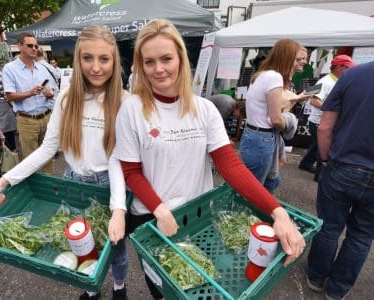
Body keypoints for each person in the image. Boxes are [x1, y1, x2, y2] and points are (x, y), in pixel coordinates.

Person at [108, 19, 305, 300]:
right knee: (164, 290)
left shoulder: (204, 110)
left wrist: (278, 212)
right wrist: (160, 210)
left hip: (197, 216)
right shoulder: (132, 109)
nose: (159, 69)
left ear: (181, 59)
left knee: (199, 283)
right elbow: (130, 170)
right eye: (149, 62)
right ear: (141, 65)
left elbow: (230, 165)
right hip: (152, 220)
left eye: (166, 58)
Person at [0, 25, 129, 300]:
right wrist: (5, 179)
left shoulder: (125, 101)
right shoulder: (66, 98)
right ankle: (91, 286)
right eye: (87, 58)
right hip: (73, 180)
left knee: (117, 246)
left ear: (114, 60)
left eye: (104, 59)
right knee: (81, 240)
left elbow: (117, 160)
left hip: (111, 183)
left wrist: (119, 209)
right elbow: (47, 149)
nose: (96, 67)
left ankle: (119, 287)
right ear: (78, 59)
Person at [305, 61, 374, 300]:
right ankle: (337, 290)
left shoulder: (353, 76)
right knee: (362, 236)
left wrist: (324, 159)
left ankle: (315, 277)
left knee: (329, 226)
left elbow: (324, 129)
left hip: (343, 165)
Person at [239, 39, 305, 191]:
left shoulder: (261, 74)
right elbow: (275, 119)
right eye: (297, 59)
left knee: (265, 183)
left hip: (254, 134)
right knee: (255, 190)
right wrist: (289, 122)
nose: (301, 62)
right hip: (262, 138)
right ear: (287, 59)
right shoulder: (275, 77)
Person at [2, 32, 55, 174]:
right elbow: (10, 96)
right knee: (31, 158)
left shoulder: (42, 68)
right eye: (30, 45)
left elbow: (51, 91)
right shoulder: (10, 68)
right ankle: (37, 188)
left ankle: (50, 187)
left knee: (49, 155)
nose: (34, 49)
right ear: (19, 46)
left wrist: (49, 94)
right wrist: (31, 93)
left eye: (36, 46)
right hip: (27, 119)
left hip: (46, 116)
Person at [298, 55, 355, 181]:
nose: (350, 71)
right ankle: (320, 177)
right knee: (322, 149)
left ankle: (305, 164)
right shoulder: (326, 81)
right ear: (338, 67)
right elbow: (313, 101)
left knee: (316, 146)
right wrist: (333, 111)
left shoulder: (335, 80)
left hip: (319, 121)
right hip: (319, 122)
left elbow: (310, 94)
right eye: (348, 68)